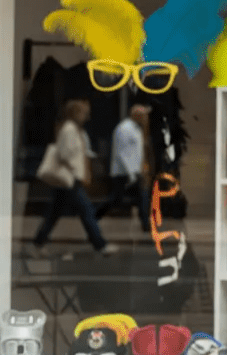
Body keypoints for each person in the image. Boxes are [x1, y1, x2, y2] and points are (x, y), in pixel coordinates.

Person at [32, 99, 118, 256]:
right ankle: (100, 245)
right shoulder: (69, 130)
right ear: (75, 113)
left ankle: (38, 243)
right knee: (87, 212)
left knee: (54, 213)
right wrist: (76, 169)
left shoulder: (75, 130)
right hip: (70, 179)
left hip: (69, 180)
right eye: (84, 112)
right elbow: (65, 154)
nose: (87, 116)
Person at [95, 102, 152, 232]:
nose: (146, 118)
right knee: (116, 198)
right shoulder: (124, 129)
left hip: (133, 171)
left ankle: (145, 224)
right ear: (138, 116)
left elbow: (136, 152)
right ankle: (95, 215)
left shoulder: (136, 129)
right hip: (124, 172)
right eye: (144, 115)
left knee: (142, 196)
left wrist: (141, 168)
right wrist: (131, 174)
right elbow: (123, 153)